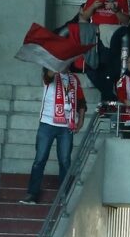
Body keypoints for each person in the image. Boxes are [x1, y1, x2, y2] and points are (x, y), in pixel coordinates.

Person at [22, 69, 85, 205]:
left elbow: (81, 101)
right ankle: (32, 194)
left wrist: (81, 120)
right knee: (40, 160)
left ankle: (64, 196)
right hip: (47, 123)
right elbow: (47, 77)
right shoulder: (49, 74)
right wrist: (54, 65)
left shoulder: (74, 79)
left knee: (65, 161)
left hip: (67, 125)